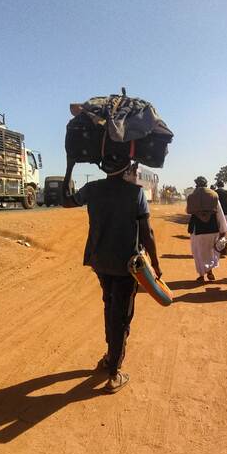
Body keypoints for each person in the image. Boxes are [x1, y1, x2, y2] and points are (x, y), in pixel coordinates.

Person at [63, 156, 161, 394]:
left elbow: (66, 201)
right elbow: (146, 231)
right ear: (127, 168)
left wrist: (70, 167)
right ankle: (114, 372)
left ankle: (110, 356)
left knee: (109, 305)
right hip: (126, 264)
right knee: (122, 315)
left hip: (100, 261)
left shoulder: (92, 189)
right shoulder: (134, 193)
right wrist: (156, 264)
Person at [186, 176, 227, 282]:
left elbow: (187, 210)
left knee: (198, 252)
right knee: (211, 251)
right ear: (206, 184)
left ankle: (201, 274)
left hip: (197, 230)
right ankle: (209, 271)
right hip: (212, 229)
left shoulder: (192, 196)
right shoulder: (214, 196)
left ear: (196, 184)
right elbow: (220, 214)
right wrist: (223, 230)